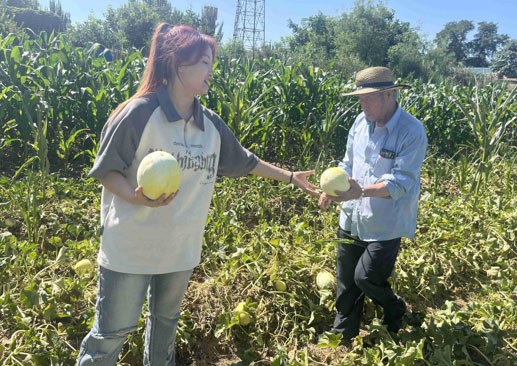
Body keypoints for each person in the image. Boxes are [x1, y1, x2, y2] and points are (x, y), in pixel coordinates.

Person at [77, 23, 319, 365]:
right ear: (179, 65)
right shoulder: (140, 113)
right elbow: (106, 171)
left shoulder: (211, 125)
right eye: (205, 63)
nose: (211, 72)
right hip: (131, 248)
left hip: (180, 251)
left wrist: (291, 176)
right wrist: (136, 196)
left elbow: (245, 162)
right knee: (110, 336)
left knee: (164, 330)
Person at [318, 66, 428, 339]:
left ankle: (396, 309)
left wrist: (361, 192)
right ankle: (344, 333)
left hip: (385, 223)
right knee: (346, 281)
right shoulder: (359, 123)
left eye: (369, 97)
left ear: (390, 94)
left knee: (365, 278)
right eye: (360, 97)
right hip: (351, 216)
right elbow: (347, 163)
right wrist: (332, 190)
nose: (363, 103)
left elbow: (402, 181)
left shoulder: (411, 131)